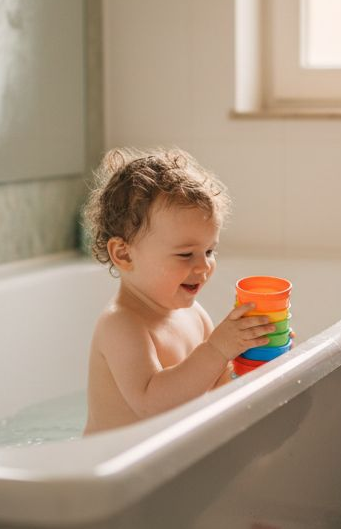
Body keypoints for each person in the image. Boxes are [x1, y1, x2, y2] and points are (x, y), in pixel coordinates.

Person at [81, 147, 274, 433]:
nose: (204, 266)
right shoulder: (121, 325)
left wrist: (254, 357)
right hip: (111, 469)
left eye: (210, 251)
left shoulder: (196, 316)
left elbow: (220, 393)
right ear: (124, 255)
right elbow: (152, 405)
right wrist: (217, 349)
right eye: (186, 255)